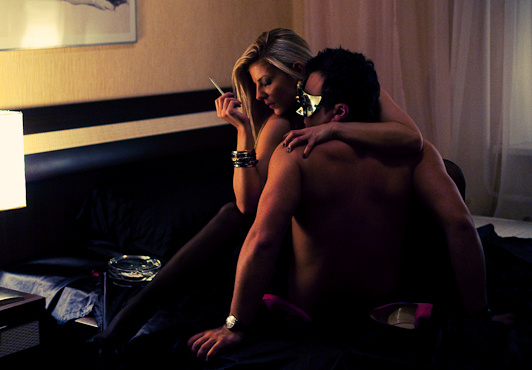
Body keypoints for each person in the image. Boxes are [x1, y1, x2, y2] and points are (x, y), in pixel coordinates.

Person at [92, 30, 423, 351]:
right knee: (231, 215)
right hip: (293, 239)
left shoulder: (351, 89)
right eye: (254, 85)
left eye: (265, 81)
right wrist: (243, 131)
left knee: (232, 217)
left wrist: (333, 130)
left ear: (297, 71)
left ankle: (129, 320)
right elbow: (248, 204)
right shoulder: (281, 125)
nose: (260, 94)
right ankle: (128, 320)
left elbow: (412, 138)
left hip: (348, 232)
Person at [187, 48, 487, 362]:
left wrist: (234, 325)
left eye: (307, 102)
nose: (300, 110)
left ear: (339, 112)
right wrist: (481, 315)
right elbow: (461, 225)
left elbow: (263, 239)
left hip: (311, 318)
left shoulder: (294, 155)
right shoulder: (418, 155)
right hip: (382, 312)